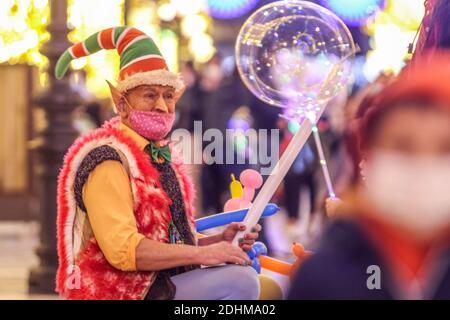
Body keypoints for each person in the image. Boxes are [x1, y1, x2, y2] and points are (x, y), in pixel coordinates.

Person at [55, 26, 261, 300]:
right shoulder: (107, 160)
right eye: (150, 95)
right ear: (122, 103)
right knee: (241, 281)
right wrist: (204, 253)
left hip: (160, 283)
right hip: (124, 292)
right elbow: (125, 251)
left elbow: (167, 242)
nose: (163, 107)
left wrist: (218, 241)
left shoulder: (159, 155)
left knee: (253, 278)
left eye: (168, 96)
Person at [289, 51, 450, 299]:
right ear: (369, 154)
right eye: (402, 146)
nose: (423, 165)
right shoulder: (322, 276)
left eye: (444, 149)